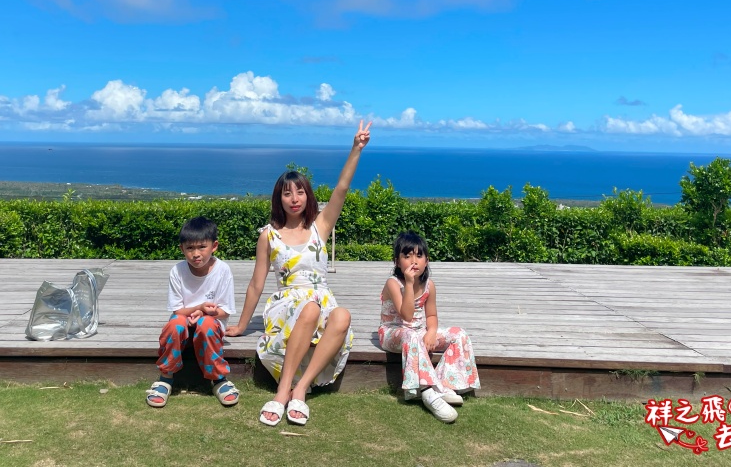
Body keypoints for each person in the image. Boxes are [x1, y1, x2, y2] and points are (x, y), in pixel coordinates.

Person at [226, 120, 372, 427]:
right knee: (309, 310)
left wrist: (355, 149)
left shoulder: (319, 227)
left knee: (342, 315)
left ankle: (300, 388)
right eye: (287, 193)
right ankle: (282, 393)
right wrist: (241, 325)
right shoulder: (269, 235)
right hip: (288, 303)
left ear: (308, 196)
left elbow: (342, 190)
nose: (294, 198)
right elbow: (256, 283)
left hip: (322, 298)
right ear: (278, 199)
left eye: (300, 192)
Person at [378, 230, 480, 422]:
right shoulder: (393, 283)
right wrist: (409, 284)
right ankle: (427, 392)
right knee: (413, 336)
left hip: (419, 332)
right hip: (393, 332)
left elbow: (431, 315)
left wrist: (432, 332)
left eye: (419, 255)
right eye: (407, 256)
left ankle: (445, 384)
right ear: (397, 262)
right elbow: (406, 315)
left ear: (427, 260)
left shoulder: (429, 285)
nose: (413, 261)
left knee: (459, 334)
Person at [146, 216, 239, 408]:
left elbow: (225, 311)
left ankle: (218, 378)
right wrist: (199, 308)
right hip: (184, 322)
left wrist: (206, 314)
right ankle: (166, 377)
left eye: (202, 247)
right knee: (175, 324)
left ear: (214, 246)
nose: (196, 254)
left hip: (210, 325)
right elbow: (178, 310)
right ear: (182, 249)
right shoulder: (177, 271)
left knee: (205, 325)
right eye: (190, 248)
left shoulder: (222, 270)